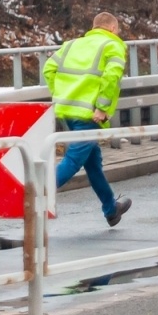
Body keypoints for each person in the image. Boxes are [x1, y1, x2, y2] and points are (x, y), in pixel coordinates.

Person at [44, 12, 132, 227]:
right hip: (90, 114)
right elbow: (112, 77)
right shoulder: (113, 45)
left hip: (67, 111)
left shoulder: (71, 45)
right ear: (112, 28)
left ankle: (111, 209)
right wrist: (102, 107)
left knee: (93, 164)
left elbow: (49, 69)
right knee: (74, 160)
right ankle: (37, 194)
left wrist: (62, 95)